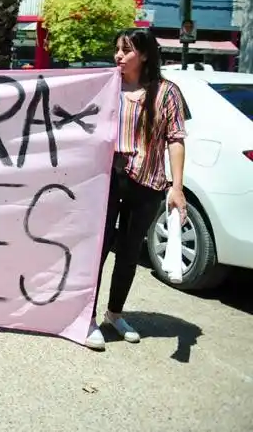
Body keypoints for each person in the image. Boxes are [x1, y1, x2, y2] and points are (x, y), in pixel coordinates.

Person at [86, 28, 187, 351]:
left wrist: (177, 187)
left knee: (129, 253)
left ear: (143, 55)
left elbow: (175, 139)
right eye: (117, 49)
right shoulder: (107, 85)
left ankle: (114, 314)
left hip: (147, 181)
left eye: (126, 50)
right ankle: (86, 318)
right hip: (107, 179)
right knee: (97, 250)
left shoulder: (166, 92)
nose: (118, 55)